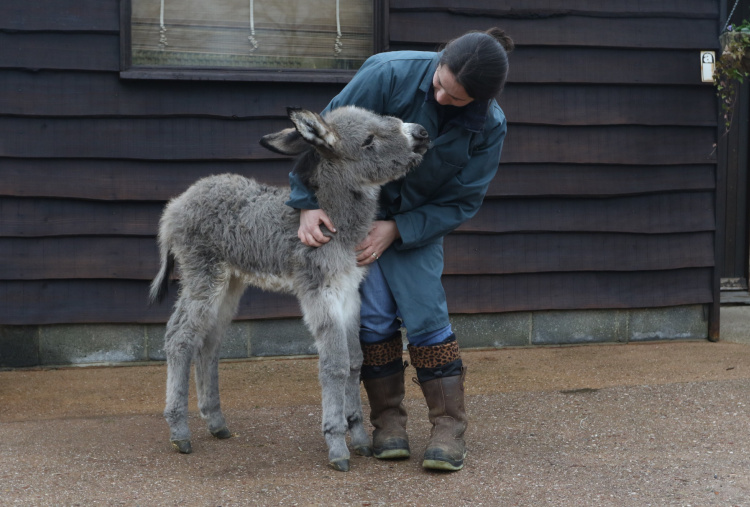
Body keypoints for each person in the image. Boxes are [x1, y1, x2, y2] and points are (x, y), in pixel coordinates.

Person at [286, 27, 513, 471]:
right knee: (371, 316)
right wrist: (307, 203)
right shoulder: (387, 73)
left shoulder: (490, 126)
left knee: (426, 315)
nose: (443, 99)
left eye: (459, 98)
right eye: (440, 85)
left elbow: (462, 200)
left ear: (482, 100)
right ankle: (388, 421)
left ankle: (449, 428)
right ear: (440, 58)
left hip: (415, 226)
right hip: (352, 219)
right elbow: (325, 138)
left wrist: (398, 229)